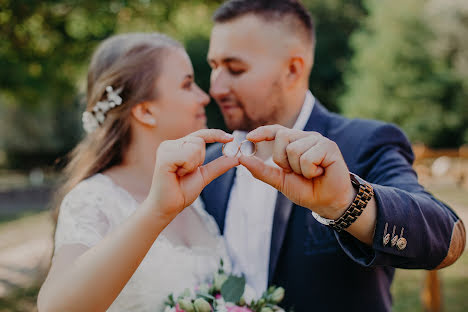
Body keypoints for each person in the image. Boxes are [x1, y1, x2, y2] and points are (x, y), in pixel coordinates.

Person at [201, 1, 466, 311]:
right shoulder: (208, 165)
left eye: (235, 69)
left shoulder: (364, 142)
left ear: (293, 69)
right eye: (213, 66)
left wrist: (346, 203)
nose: (215, 87)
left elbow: (447, 240)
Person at [37, 33, 240, 312]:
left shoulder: (198, 197)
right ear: (145, 111)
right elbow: (56, 308)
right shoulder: (93, 199)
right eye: (187, 84)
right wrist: (156, 211)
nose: (204, 97)